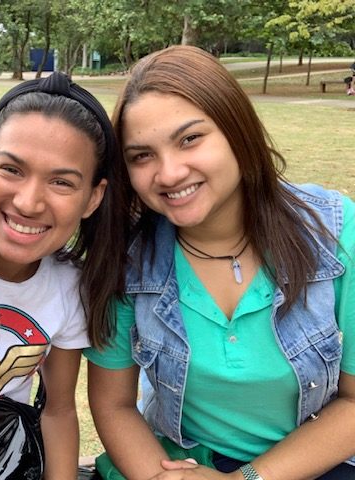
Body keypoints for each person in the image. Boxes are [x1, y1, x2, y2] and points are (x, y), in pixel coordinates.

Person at [85, 45, 355, 480]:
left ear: (237, 131)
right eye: (142, 156)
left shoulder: (335, 231)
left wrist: (247, 479)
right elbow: (114, 405)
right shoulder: (126, 261)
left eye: (190, 139)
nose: (169, 173)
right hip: (184, 461)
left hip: (317, 459)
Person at [0, 71, 129, 478]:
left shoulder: (70, 287)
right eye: (12, 169)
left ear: (93, 197)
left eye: (61, 182)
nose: (29, 202)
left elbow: (58, 410)